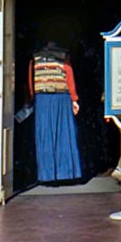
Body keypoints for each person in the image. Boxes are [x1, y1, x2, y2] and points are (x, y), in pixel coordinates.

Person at [28, 42, 81, 183]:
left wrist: (32, 97)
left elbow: (30, 79)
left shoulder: (35, 57)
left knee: (45, 136)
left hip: (42, 99)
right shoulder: (64, 56)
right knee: (63, 134)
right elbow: (69, 77)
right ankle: (65, 173)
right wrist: (74, 99)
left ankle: (47, 175)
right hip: (61, 98)